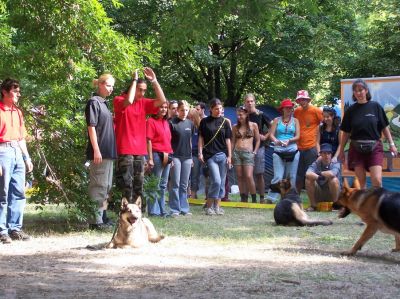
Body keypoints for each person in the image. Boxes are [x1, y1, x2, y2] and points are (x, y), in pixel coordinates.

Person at [113, 68, 167, 212]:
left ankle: (138, 215)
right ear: (132, 87)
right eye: (140, 90)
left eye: (144, 91)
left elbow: (162, 101)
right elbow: (129, 100)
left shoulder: (143, 103)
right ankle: (125, 214)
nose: (142, 94)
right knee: (126, 184)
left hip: (139, 151)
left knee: (139, 185)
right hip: (125, 149)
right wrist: (135, 80)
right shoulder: (119, 100)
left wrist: (154, 81)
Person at [338, 79, 398, 189]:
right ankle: (365, 205)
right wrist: (341, 150)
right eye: (356, 91)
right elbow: (345, 132)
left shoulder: (376, 107)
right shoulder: (350, 111)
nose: (358, 93)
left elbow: (385, 127)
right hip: (356, 149)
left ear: (366, 91)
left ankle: (378, 205)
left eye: (361, 90)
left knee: (377, 180)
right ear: (354, 94)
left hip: (374, 147)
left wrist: (392, 144)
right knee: (361, 183)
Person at [0, 78, 33, 243]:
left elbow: (21, 137)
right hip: (2, 151)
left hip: (17, 152)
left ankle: (15, 228)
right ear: (5, 92)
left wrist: (27, 157)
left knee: (19, 192)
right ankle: (2, 230)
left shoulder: (18, 112)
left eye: (18, 91)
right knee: (3, 192)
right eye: (14, 91)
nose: (18, 94)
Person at [85, 73, 117, 230]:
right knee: (98, 186)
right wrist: (96, 150)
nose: (111, 89)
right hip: (100, 153)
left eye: (112, 86)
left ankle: (102, 217)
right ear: (100, 84)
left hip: (109, 153)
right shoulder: (93, 102)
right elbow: (91, 127)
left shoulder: (105, 104)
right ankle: (94, 221)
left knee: (106, 186)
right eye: (108, 85)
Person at [198, 98, 232, 215]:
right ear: (211, 109)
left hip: (223, 155)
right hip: (210, 155)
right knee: (216, 181)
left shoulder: (225, 122)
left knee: (221, 182)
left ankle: (217, 206)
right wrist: (200, 152)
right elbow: (201, 138)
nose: (219, 111)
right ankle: (209, 206)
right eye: (216, 109)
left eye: (220, 109)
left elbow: (228, 140)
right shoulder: (204, 122)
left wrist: (229, 156)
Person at [268, 99, 300, 202]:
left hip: (292, 150)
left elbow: (298, 136)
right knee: (278, 176)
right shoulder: (276, 120)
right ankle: (271, 198)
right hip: (278, 150)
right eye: (287, 107)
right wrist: (276, 141)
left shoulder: (296, 121)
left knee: (292, 177)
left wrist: (289, 141)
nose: (289, 109)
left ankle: (290, 199)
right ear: (282, 109)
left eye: (290, 107)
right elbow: (271, 135)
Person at [168, 100, 194, 216]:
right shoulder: (171, 123)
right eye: (182, 110)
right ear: (177, 110)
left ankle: (184, 208)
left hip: (187, 157)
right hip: (175, 156)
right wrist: (170, 157)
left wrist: (192, 157)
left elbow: (189, 141)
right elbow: (167, 141)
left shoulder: (190, 123)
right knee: (175, 183)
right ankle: (174, 209)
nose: (184, 112)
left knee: (184, 184)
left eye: (186, 110)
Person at [294, 90, 323, 193]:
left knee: (311, 173)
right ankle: (295, 196)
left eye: (304, 99)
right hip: (298, 147)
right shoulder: (297, 111)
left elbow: (325, 123)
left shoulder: (316, 110)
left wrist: (319, 143)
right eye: (300, 100)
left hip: (311, 147)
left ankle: (317, 196)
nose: (302, 101)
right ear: (298, 101)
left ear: (308, 99)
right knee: (299, 174)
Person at [146, 101, 172, 217]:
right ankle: (153, 211)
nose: (164, 109)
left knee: (163, 185)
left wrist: (171, 157)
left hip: (167, 155)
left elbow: (168, 140)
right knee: (154, 184)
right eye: (161, 107)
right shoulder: (150, 121)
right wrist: (150, 158)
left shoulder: (166, 122)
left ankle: (162, 210)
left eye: (166, 107)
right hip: (156, 155)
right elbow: (148, 140)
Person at [244, 93, 271, 203]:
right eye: (247, 101)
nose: (250, 103)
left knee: (259, 173)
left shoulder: (261, 114)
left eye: (251, 101)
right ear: (244, 103)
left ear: (254, 102)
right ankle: (246, 197)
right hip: (245, 147)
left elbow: (272, 125)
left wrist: (265, 136)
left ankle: (262, 197)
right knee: (247, 174)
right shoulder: (243, 114)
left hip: (259, 147)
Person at [232, 106, 260, 203]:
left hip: (249, 153)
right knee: (239, 176)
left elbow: (258, 140)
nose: (239, 116)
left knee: (248, 176)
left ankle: (253, 198)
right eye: (238, 115)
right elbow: (232, 142)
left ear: (246, 114)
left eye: (241, 114)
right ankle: (243, 198)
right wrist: (231, 154)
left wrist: (255, 152)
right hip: (237, 152)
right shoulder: (235, 127)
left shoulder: (253, 125)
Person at [305, 143, 341, 211]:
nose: (326, 155)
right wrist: (319, 177)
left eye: (328, 153)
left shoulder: (336, 163)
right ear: (320, 154)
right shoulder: (316, 163)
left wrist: (319, 173)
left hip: (332, 193)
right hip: (319, 192)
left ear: (331, 154)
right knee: (308, 179)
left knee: (334, 180)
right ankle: (313, 206)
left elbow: (332, 174)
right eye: (324, 153)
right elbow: (307, 173)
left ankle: (336, 206)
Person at [189, 102, 206, 199]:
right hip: (190, 153)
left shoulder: (201, 127)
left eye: (192, 117)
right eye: (189, 117)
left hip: (200, 153)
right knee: (192, 175)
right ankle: (192, 194)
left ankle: (204, 195)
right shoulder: (186, 126)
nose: (190, 119)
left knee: (201, 175)